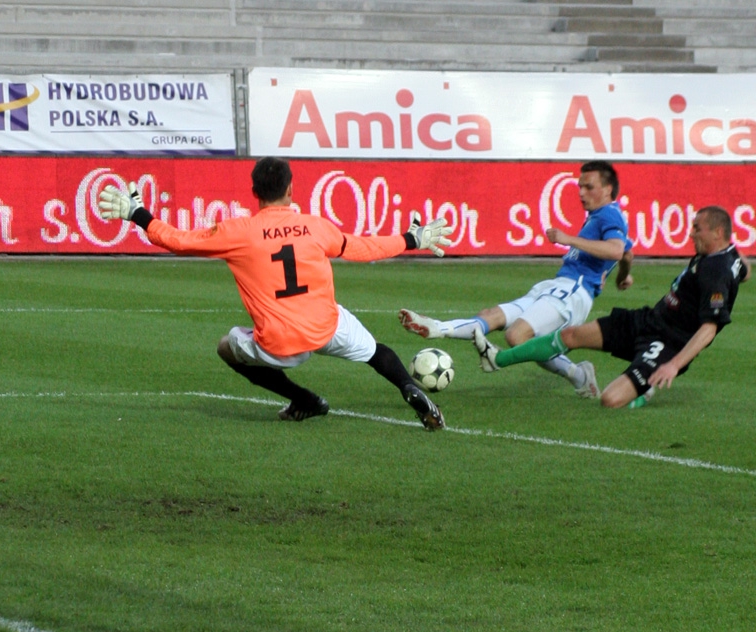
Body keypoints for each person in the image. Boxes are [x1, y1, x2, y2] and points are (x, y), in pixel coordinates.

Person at [98, 156, 454, 430]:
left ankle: (304, 399)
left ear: (254, 192)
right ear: (290, 190)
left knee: (227, 347)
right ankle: (408, 386)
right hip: (326, 325)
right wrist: (411, 239)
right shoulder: (315, 226)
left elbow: (177, 240)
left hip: (281, 345)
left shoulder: (238, 232)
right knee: (376, 351)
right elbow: (361, 248)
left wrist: (139, 214)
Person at [472, 206, 750, 408]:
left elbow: (709, 329)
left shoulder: (717, 269)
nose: (691, 234)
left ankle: (647, 384)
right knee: (572, 335)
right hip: (650, 320)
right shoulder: (725, 254)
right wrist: (739, 264)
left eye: (697, 228)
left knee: (610, 400)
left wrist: (674, 365)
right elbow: (743, 269)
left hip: (668, 344)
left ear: (718, 231)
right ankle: (498, 359)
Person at [398, 160, 633, 399]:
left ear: (607, 189)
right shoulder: (599, 216)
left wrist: (568, 239)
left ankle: (578, 376)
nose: (581, 193)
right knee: (492, 316)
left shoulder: (609, 214)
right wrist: (623, 276)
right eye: (580, 186)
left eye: (589, 187)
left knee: (517, 336)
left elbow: (615, 250)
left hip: (573, 292)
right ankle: (438, 328)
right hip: (556, 286)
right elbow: (626, 252)